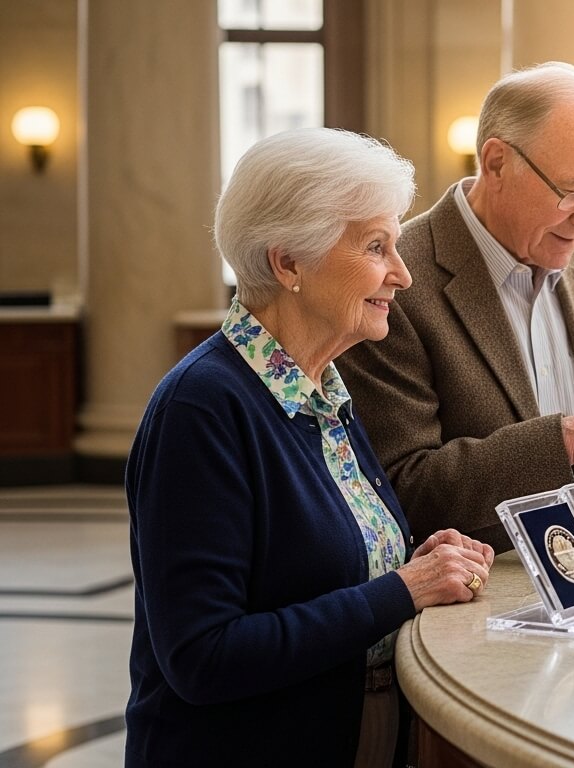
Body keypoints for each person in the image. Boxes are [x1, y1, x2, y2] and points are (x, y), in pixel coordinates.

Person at [125, 127, 496, 767]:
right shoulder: (202, 407)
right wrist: (402, 590)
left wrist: (412, 558)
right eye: (376, 246)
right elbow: (203, 656)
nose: (403, 275)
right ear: (288, 263)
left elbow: (313, 569)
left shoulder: (322, 385)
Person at [339, 62, 574, 552]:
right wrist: (561, 441)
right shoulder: (397, 277)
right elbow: (399, 491)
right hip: (469, 600)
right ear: (495, 164)